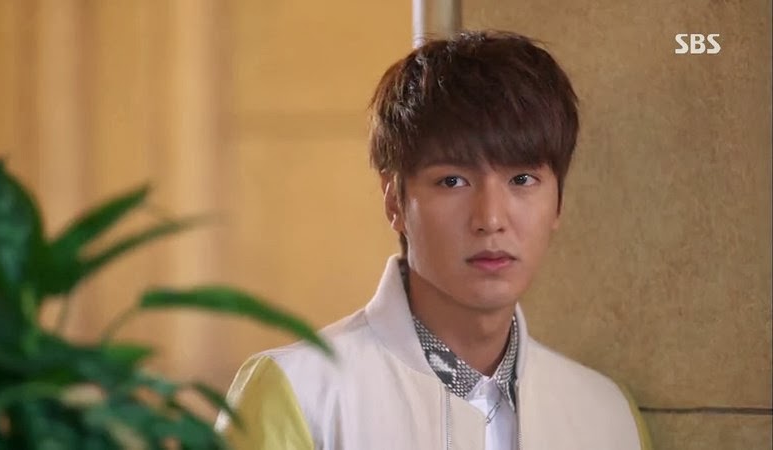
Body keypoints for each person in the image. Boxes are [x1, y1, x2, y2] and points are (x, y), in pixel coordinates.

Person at [216, 30, 653, 450]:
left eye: (522, 179)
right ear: (394, 201)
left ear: (558, 202)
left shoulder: (606, 417)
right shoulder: (302, 395)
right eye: (452, 181)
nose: (491, 219)